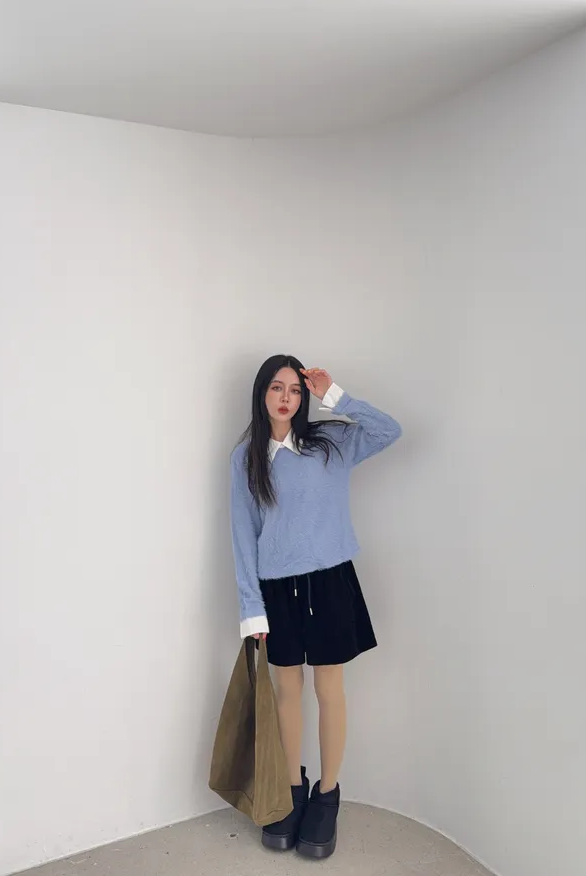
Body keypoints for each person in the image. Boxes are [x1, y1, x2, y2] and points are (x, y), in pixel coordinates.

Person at [229, 354, 401, 860]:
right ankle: (291, 789)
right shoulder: (246, 457)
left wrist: (335, 396)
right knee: (286, 692)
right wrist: (251, 607)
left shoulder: (330, 442)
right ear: (262, 394)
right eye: (276, 387)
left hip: (329, 582)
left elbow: (389, 431)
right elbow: (242, 535)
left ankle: (327, 795)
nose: (286, 398)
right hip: (276, 588)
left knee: (329, 690)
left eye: (294, 390)